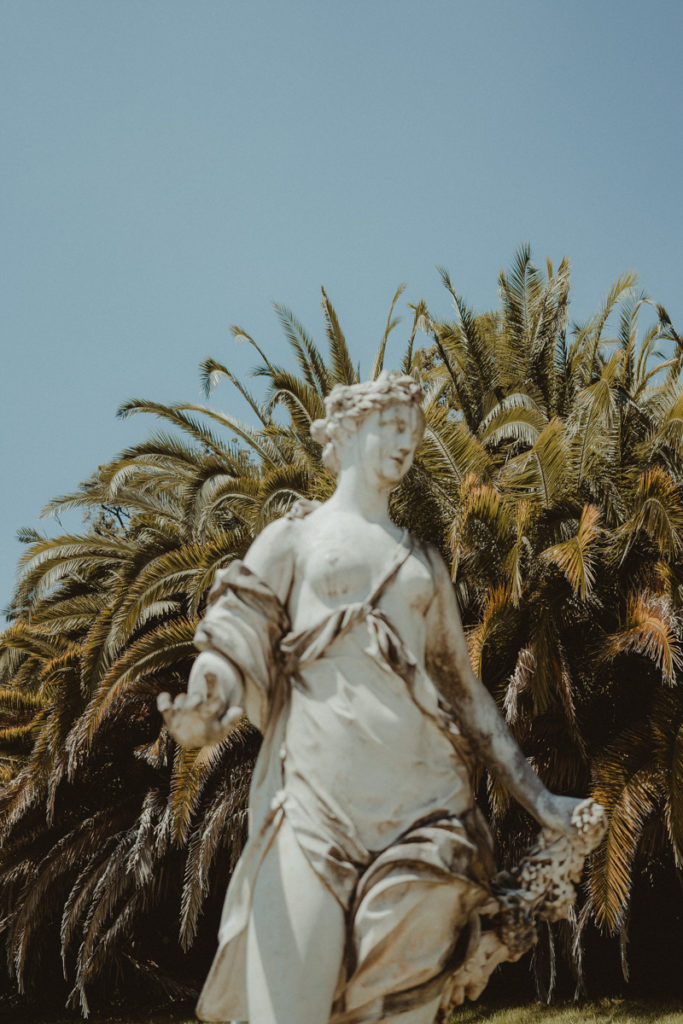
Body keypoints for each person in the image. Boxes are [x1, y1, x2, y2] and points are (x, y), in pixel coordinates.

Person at [158, 373, 588, 1024]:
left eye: (413, 432)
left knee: (398, 1013)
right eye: (390, 426)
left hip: (425, 815)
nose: (404, 442)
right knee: (291, 1006)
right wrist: (205, 698)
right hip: (312, 806)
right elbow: (230, 637)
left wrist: (539, 798)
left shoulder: (422, 563)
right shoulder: (294, 539)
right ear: (347, 431)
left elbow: (464, 692)